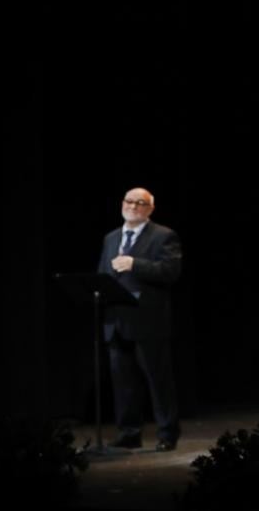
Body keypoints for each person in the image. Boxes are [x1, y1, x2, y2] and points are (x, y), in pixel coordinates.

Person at [98, 187, 182, 451]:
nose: (133, 206)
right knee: (123, 383)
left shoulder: (163, 235)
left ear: (150, 209)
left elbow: (170, 271)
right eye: (129, 201)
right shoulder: (111, 238)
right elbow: (103, 271)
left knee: (158, 381)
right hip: (117, 320)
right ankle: (129, 433)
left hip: (148, 321)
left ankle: (167, 434)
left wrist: (136, 264)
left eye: (141, 203)